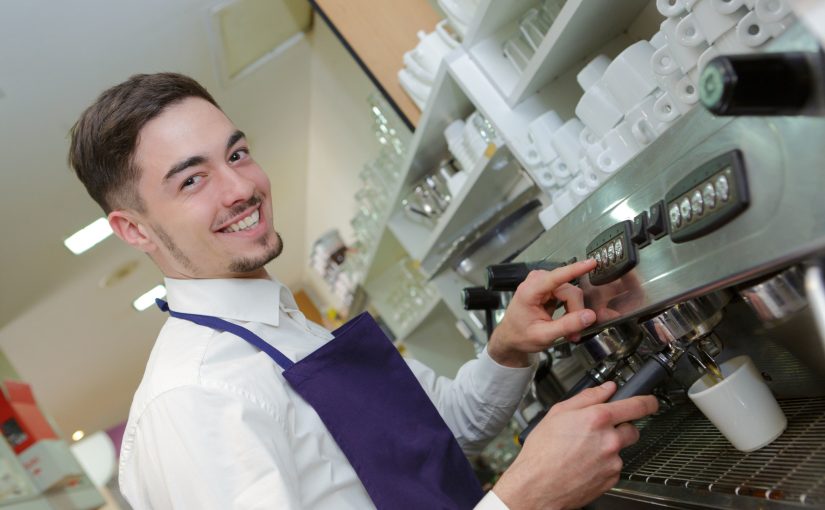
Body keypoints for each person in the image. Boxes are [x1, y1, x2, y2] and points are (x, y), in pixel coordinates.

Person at [69, 73, 658, 510]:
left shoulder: (289, 325)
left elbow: (447, 430)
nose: (240, 188)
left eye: (238, 154)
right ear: (134, 229)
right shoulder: (192, 399)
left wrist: (509, 348)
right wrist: (521, 498)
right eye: (193, 179)